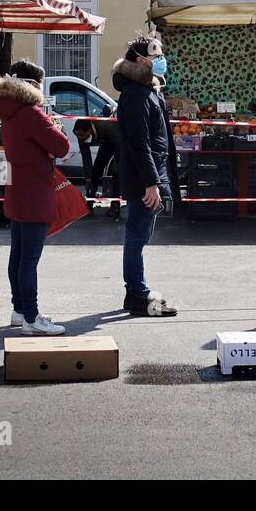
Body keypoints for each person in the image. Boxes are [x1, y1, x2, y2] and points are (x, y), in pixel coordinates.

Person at [0, 60, 71, 335]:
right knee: (30, 260)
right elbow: (61, 146)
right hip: (35, 190)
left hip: (16, 188)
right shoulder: (31, 113)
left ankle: (19, 309)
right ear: (32, 85)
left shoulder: (7, 109)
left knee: (18, 255)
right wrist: (52, 127)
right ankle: (32, 318)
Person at [114, 36, 180, 318]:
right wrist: (151, 183)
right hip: (144, 177)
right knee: (137, 236)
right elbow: (139, 143)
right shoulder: (135, 94)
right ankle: (138, 294)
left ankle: (136, 292)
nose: (162, 59)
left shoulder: (150, 91)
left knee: (141, 235)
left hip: (152, 173)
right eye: (157, 55)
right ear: (140, 60)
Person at [75, 115, 121, 218]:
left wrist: (116, 165)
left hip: (119, 142)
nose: (80, 138)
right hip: (106, 143)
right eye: (77, 135)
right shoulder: (80, 133)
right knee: (95, 172)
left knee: (116, 172)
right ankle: (89, 204)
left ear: (89, 130)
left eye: (82, 135)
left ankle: (115, 205)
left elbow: (120, 146)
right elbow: (86, 158)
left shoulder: (106, 126)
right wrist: (88, 178)